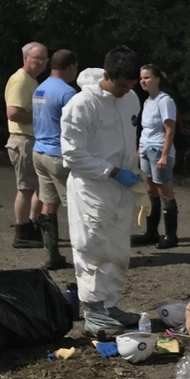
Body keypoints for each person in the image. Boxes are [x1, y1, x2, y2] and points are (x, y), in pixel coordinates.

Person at [61, 47, 144, 339]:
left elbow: (128, 138)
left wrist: (134, 168)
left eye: (130, 86)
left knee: (118, 249)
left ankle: (111, 304)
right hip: (91, 187)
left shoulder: (131, 99)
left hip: (120, 188)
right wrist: (110, 171)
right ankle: (93, 310)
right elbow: (72, 154)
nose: (125, 91)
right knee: (92, 247)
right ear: (107, 76)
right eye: (121, 85)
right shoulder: (81, 105)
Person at [31, 49, 78, 270]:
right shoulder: (67, 93)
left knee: (49, 203)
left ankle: (51, 254)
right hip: (59, 154)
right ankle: (82, 254)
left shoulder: (40, 89)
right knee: (75, 205)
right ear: (70, 67)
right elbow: (76, 126)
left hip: (39, 151)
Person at [131, 63, 181, 249]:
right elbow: (144, 128)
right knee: (150, 190)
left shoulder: (164, 101)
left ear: (157, 79)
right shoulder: (147, 101)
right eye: (141, 78)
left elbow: (170, 129)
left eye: (147, 77)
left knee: (164, 191)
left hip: (159, 149)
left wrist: (165, 155)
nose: (143, 81)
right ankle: (151, 232)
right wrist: (139, 149)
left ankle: (171, 235)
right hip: (145, 148)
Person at [4, 41, 48, 248]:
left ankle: (32, 224)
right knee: (26, 188)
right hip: (22, 140)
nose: (41, 62)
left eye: (44, 58)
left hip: (32, 140)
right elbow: (13, 112)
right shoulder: (20, 80)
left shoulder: (32, 81)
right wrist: (40, 116)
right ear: (25, 58)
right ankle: (22, 232)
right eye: (37, 58)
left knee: (38, 185)